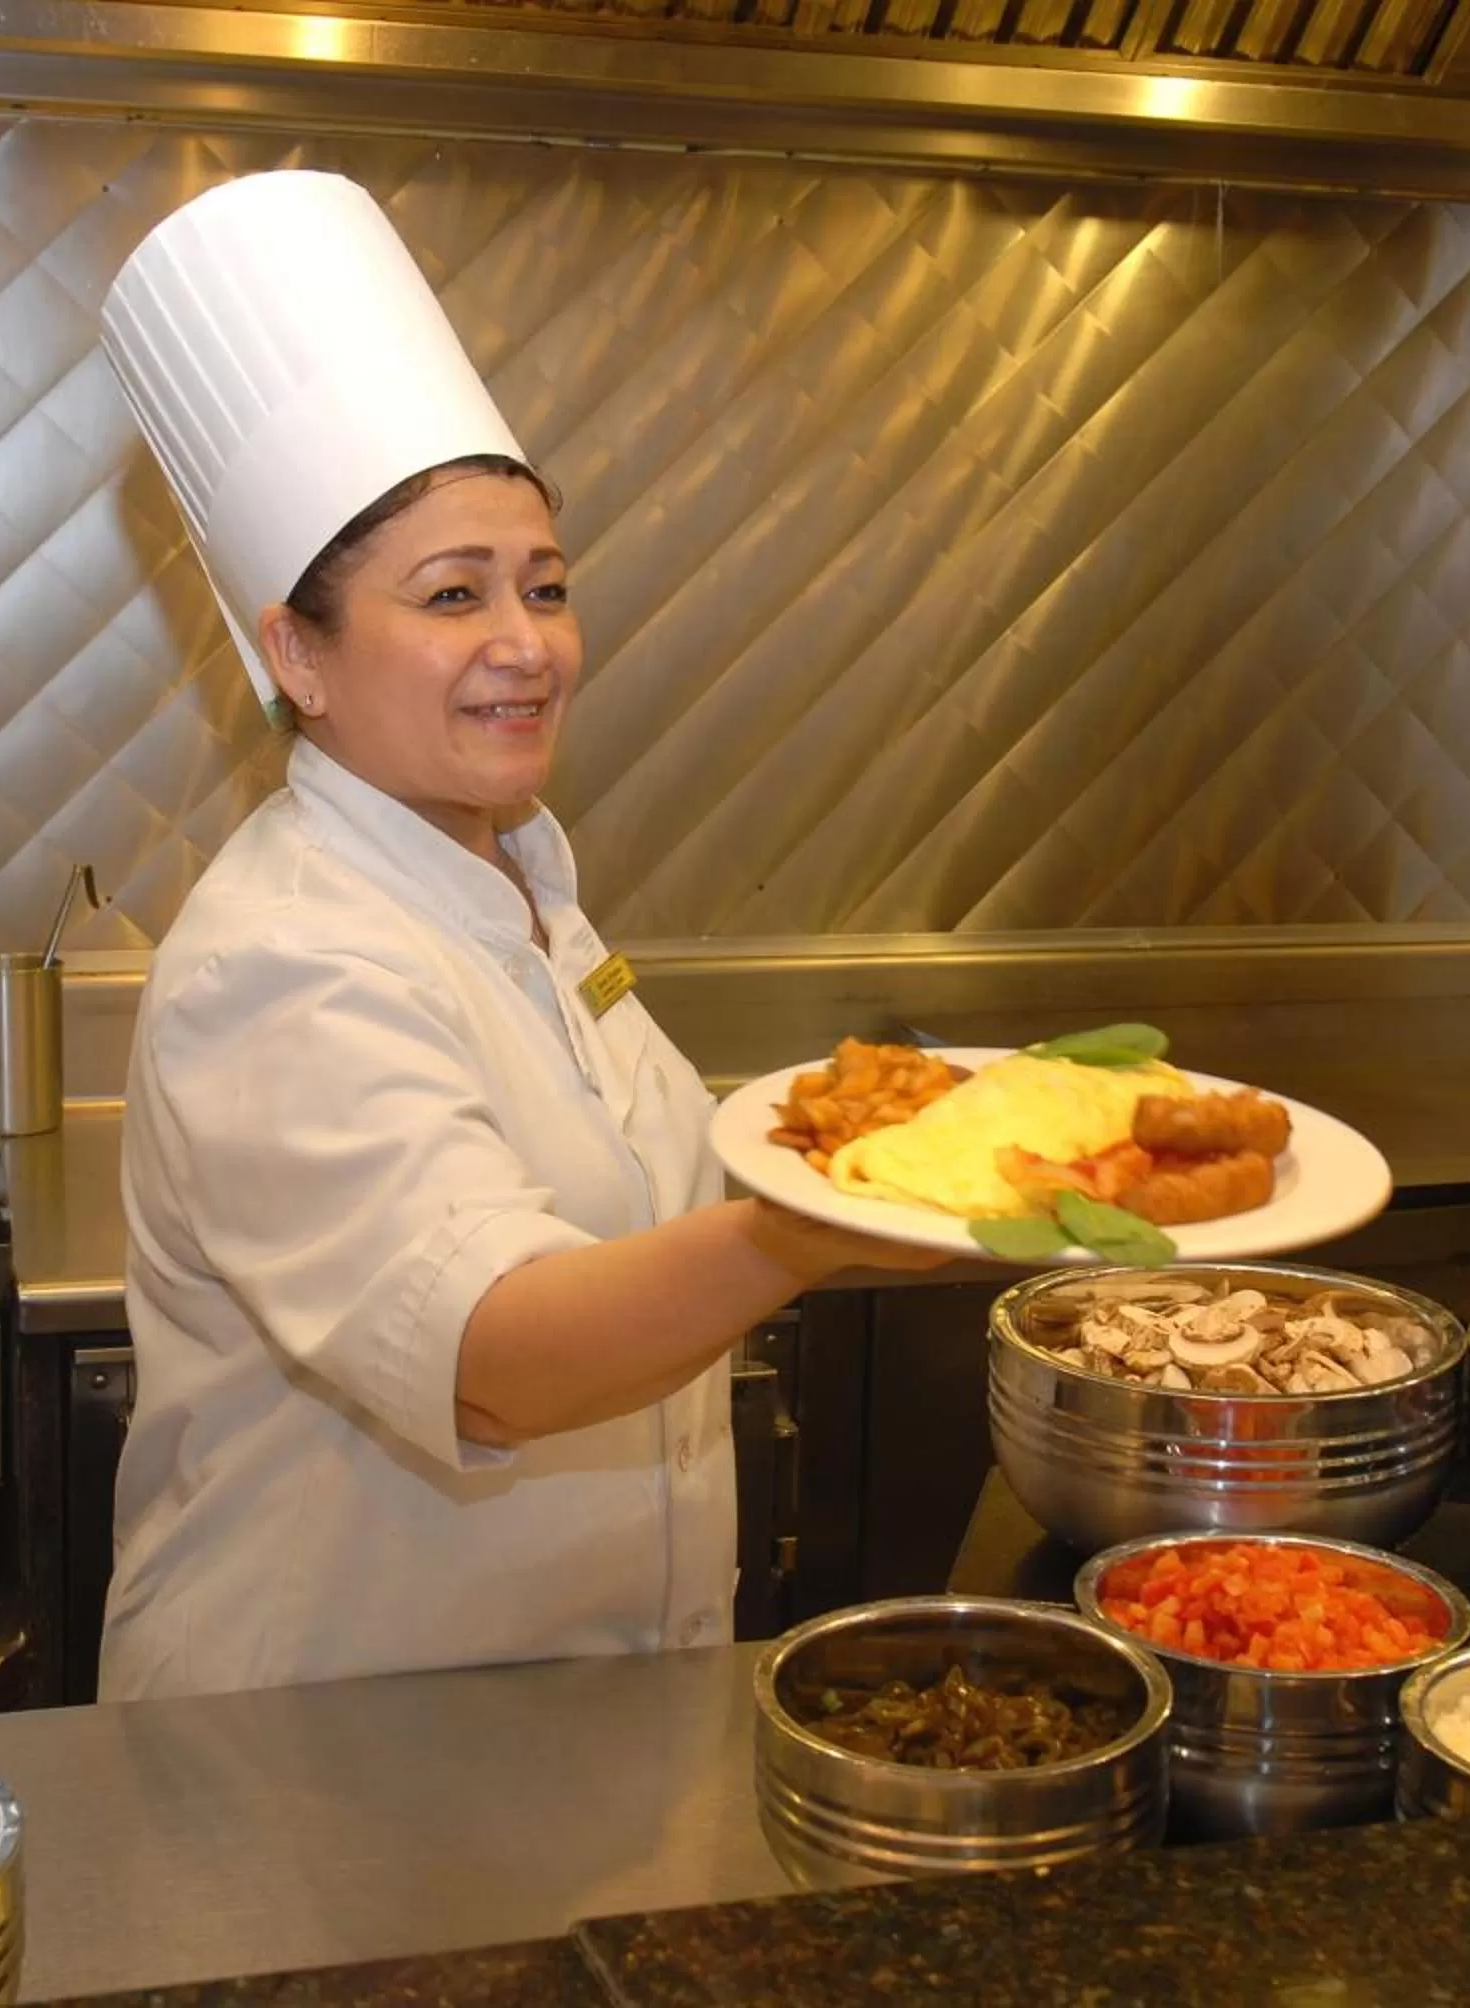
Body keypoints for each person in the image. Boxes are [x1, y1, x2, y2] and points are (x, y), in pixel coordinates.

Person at [93, 172, 940, 1701]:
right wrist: (806, 1223)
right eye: (452, 594)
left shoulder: (522, 890)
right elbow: (492, 1347)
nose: (525, 643)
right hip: (332, 1776)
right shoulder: (282, 963)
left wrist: (852, 1127)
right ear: (298, 652)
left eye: (545, 589)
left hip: (568, 1740)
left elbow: (626, 1197)